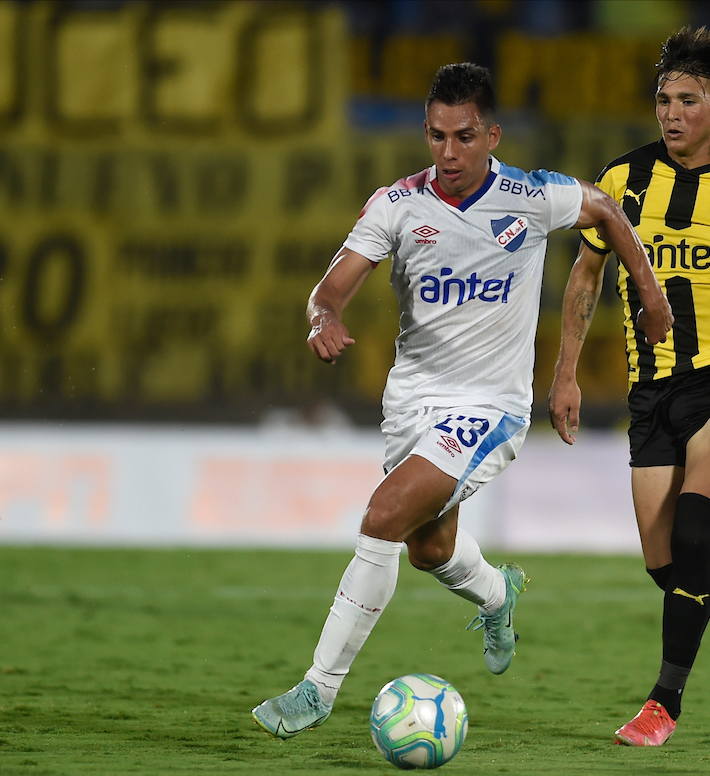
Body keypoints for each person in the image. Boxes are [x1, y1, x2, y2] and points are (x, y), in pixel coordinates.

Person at [251, 62, 673, 740]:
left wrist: (649, 295)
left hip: (490, 407)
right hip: (412, 401)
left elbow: (608, 210)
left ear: (492, 135)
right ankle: (499, 595)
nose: (449, 152)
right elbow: (331, 287)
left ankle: (317, 690)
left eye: (465, 136)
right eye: (438, 136)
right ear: (426, 132)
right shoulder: (396, 204)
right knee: (428, 548)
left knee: (383, 515)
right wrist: (322, 319)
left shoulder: (531, 196)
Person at [547, 27, 710, 747]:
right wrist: (565, 371)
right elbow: (587, 275)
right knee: (669, 569)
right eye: (663, 98)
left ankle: (663, 704)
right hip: (651, 392)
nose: (671, 112)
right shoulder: (623, 181)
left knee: (695, 541)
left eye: (688, 99)